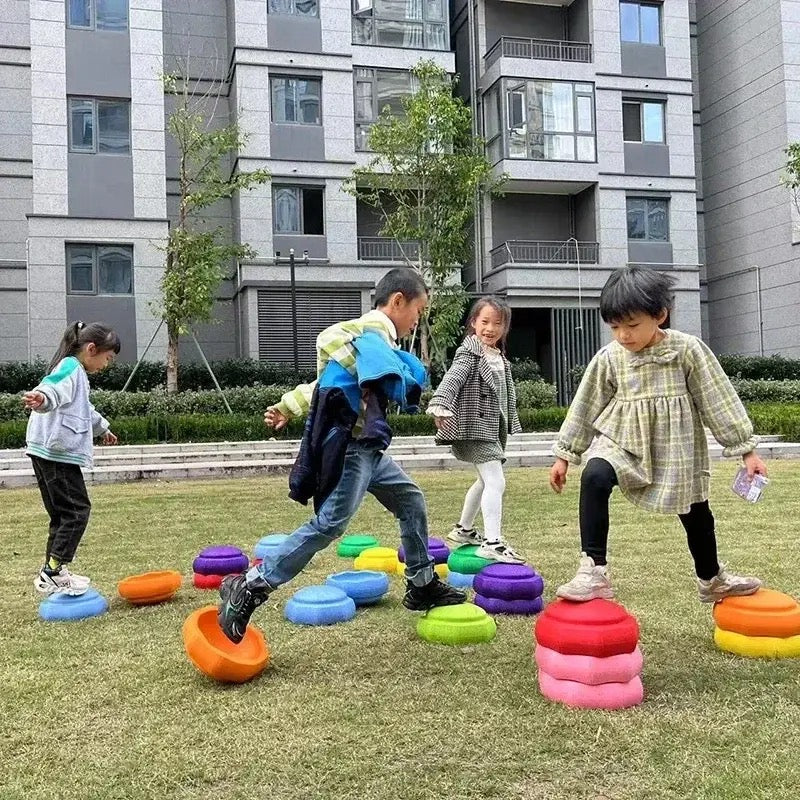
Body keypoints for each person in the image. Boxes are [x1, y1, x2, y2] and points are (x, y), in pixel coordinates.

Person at [218, 268, 466, 643]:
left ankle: (421, 583)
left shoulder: (376, 342)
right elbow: (327, 339)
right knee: (330, 524)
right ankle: (251, 584)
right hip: (353, 449)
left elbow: (328, 381)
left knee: (411, 500)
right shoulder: (371, 331)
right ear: (398, 301)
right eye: (418, 310)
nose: (418, 320)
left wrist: (289, 405)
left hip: (371, 450)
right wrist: (387, 367)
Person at [549, 266, 766, 603]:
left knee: (696, 512)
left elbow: (717, 398)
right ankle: (593, 570)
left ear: (660, 315)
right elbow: (585, 404)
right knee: (594, 475)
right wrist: (565, 453)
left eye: (632, 325)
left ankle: (711, 579)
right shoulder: (610, 358)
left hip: (676, 449)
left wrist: (745, 449)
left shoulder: (687, 350)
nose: (623, 335)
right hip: (622, 444)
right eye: (615, 327)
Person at [23, 321, 120, 596]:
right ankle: (52, 571)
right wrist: (42, 398)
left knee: (63, 515)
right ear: (92, 349)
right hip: (56, 454)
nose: (107, 364)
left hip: (46, 451)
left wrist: (103, 429)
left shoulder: (77, 374)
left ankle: (54, 571)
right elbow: (53, 386)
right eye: (108, 358)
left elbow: (83, 409)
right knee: (77, 511)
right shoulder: (70, 368)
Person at [427, 297, 525, 563]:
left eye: (497, 323)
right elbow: (453, 378)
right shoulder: (469, 352)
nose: (490, 328)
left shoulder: (499, 357)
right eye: (485, 322)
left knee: (484, 481)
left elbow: (506, 395)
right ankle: (493, 542)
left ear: (504, 328)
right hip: (474, 428)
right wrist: (439, 403)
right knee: (496, 481)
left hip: (492, 429)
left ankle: (464, 529)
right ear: (473, 323)